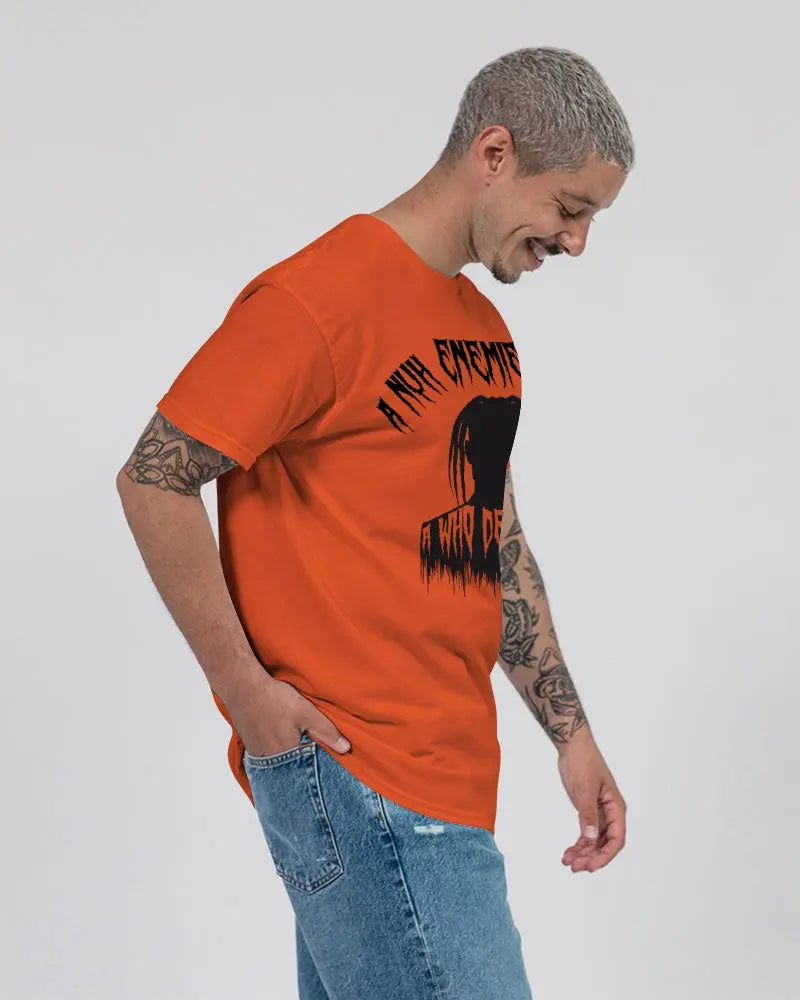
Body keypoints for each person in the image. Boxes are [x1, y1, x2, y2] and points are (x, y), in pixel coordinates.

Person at [117, 45, 633, 1000]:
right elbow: (154, 478)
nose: (575, 242)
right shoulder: (315, 299)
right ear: (494, 153)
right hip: (362, 771)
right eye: (570, 208)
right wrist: (246, 694)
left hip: (447, 778)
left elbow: (493, 539)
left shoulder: (484, 332)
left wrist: (570, 734)